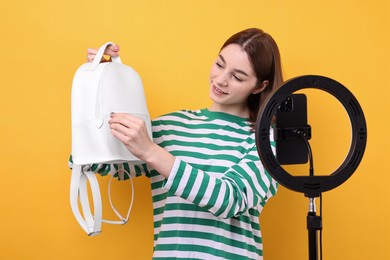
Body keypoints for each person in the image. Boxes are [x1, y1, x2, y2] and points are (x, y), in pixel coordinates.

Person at [72, 27, 284, 259]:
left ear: (260, 86)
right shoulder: (169, 126)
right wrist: (102, 82)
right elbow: (99, 163)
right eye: (220, 64)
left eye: (237, 76)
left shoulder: (265, 139)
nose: (221, 80)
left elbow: (229, 200)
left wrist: (152, 152)